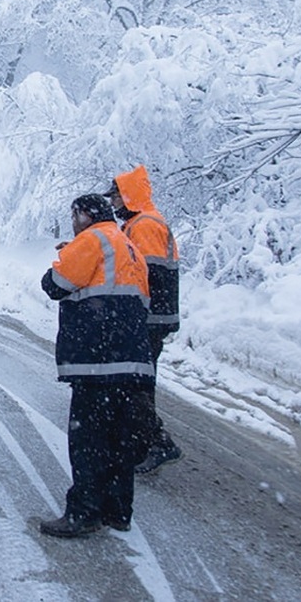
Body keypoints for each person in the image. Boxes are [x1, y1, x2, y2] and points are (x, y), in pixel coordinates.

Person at [39, 193, 154, 538]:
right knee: (121, 438)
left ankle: (84, 511)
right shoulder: (130, 246)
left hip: (97, 360)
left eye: (74, 216)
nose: (73, 223)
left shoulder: (91, 239)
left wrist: (67, 254)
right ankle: (118, 511)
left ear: (86, 215)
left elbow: (54, 284)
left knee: (88, 439)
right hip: (132, 360)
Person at [105, 166, 183, 474]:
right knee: (134, 382)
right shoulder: (139, 223)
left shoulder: (145, 225)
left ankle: (157, 442)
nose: (112, 204)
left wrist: (132, 315)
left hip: (149, 318)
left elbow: (145, 276)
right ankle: (140, 442)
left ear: (128, 196)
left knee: (134, 384)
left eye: (115, 197)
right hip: (150, 317)